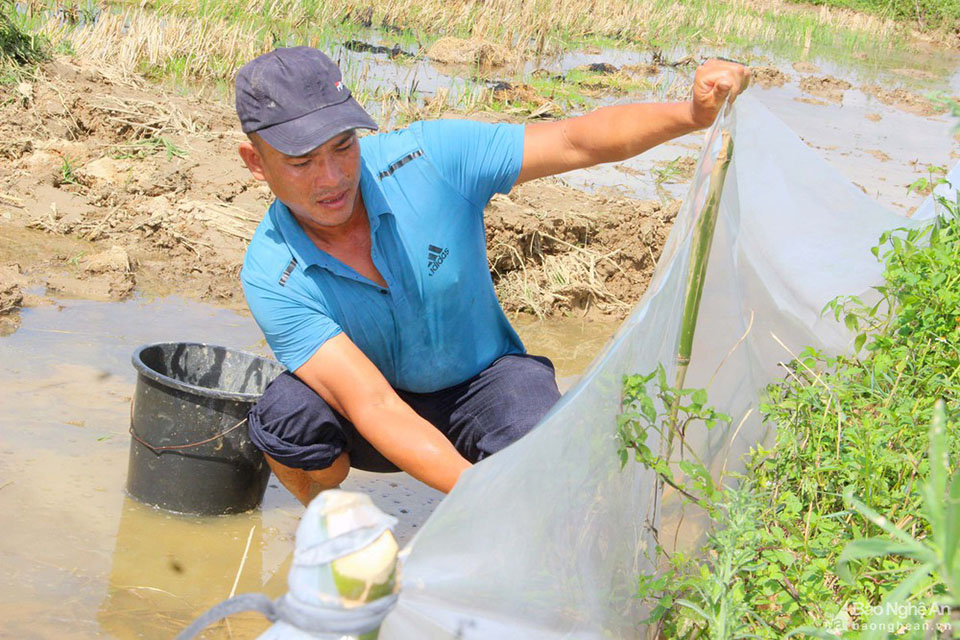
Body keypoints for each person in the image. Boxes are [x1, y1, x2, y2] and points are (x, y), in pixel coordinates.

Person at [235, 46, 748, 506]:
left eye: (343, 146)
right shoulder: (271, 272)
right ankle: (329, 520)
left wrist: (689, 114)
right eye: (301, 162)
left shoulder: (430, 160)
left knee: (544, 448)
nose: (332, 178)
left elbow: (575, 141)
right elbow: (372, 405)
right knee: (287, 418)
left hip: (483, 383)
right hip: (371, 411)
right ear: (256, 163)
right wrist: (480, 498)